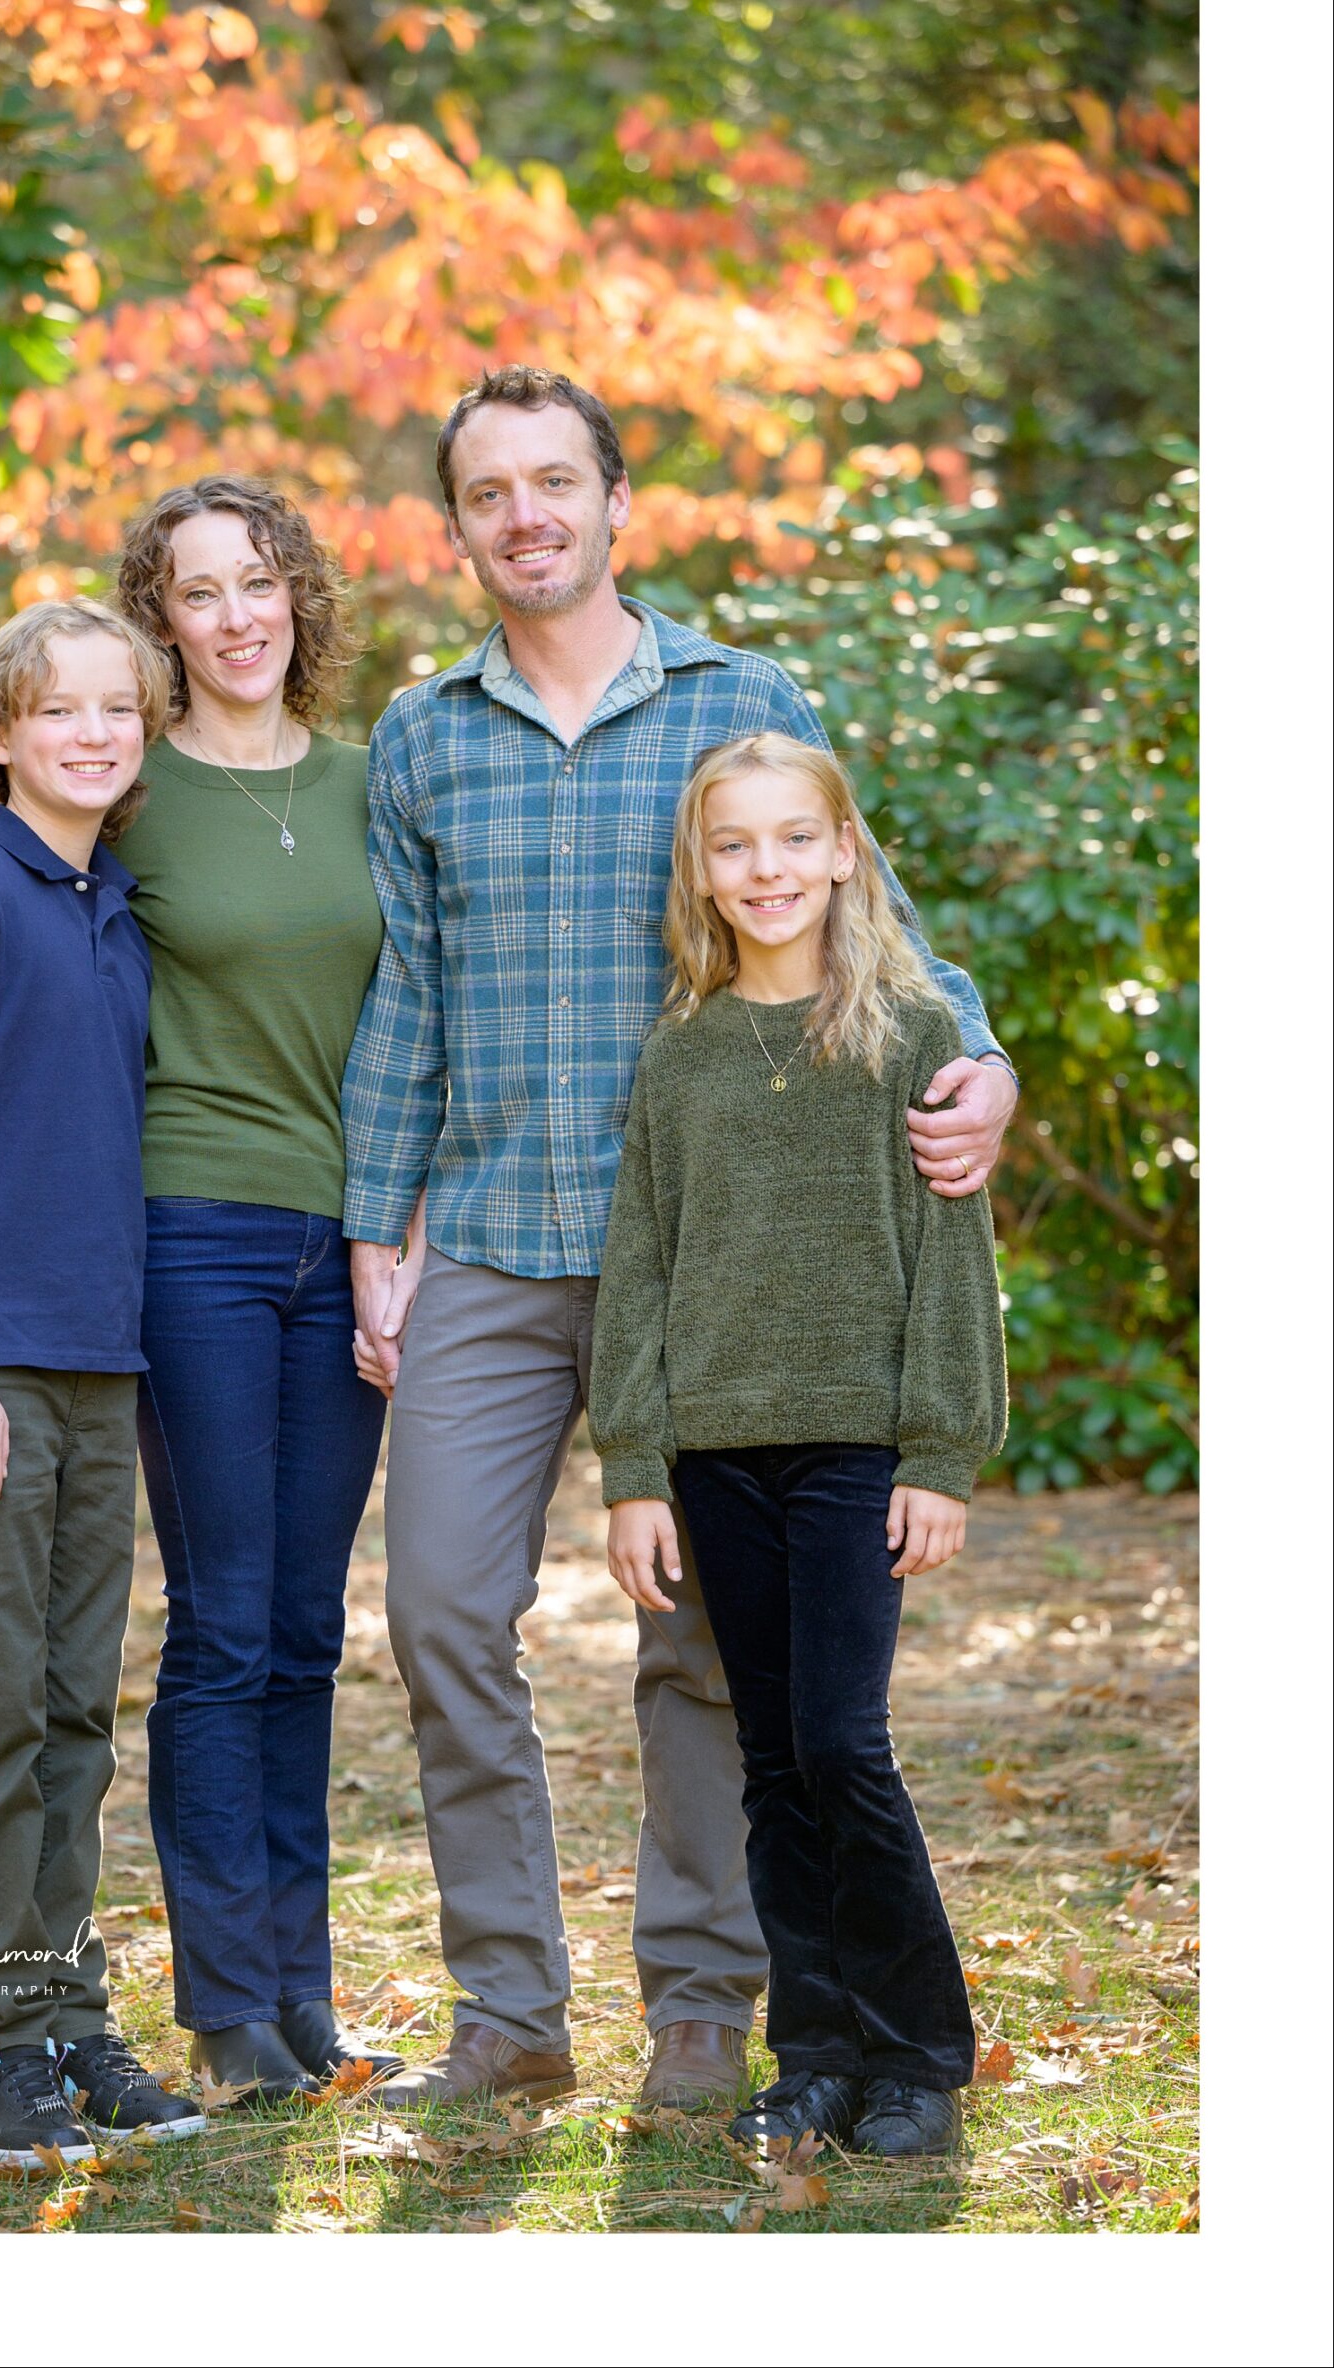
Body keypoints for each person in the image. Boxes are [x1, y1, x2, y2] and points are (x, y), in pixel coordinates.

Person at [344, 365, 1018, 2115]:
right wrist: (376, 1227)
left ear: (615, 500)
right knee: (436, 1613)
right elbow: (405, 998)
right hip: (493, 1236)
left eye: (554, 481)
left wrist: (984, 1062)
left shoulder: (739, 695)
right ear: (459, 526)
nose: (526, 516)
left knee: (710, 1648)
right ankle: (507, 2007)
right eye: (488, 492)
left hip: (721, 1263)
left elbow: (870, 921)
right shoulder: (422, 735)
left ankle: (711, 1999)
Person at [0, 481, 406, 2105]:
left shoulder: (280, 823)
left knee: (167, 1672)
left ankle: (123, 2018)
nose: (232, 616)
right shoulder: (34, 856)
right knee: (74, 1681)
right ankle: (55, 2031)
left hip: (218, 1292)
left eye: (258, 582)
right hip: (102, 1296)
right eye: (194, 595)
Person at [592, 732, 1005, 2157]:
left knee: (843, 1746)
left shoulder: (908, 1035)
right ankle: (815, 2050)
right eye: (732, 846)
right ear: (700, 874)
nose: (763, 869)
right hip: (715, 1453)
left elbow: (951, 1266)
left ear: (842, 852)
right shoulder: (682, 1055)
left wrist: (940, 1454)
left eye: (789, 840)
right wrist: (632, 1470)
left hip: (853, 1449)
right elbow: (640, 1271)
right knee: (770, 1761)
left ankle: (916, 2055)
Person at [0, 595, 204, 2167]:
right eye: (58, 709)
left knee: (77, 1709)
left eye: (118, 712)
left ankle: (66, 2021)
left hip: (95, 1360)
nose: (91, 732)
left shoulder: (111, 904)